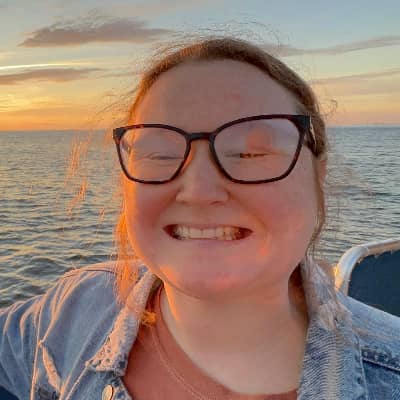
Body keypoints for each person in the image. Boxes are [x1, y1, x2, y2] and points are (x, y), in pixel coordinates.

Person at [1, 36, 400, 400]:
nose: (198, 190)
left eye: (250, 153)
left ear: (317, 177)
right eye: (159, 154)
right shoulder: (75, 309)